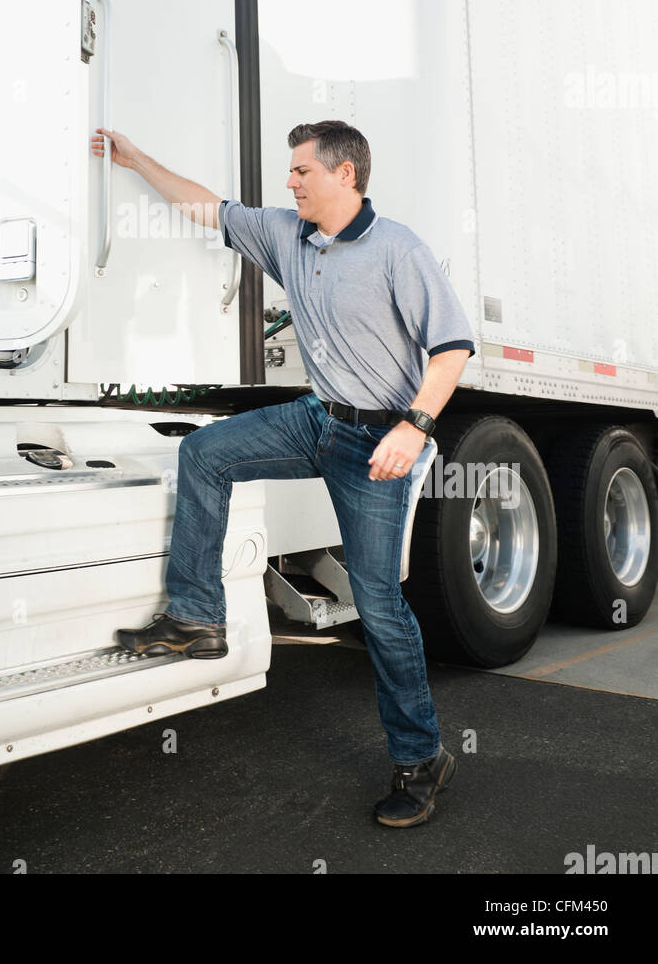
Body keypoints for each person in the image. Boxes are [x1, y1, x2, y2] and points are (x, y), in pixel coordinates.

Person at [90, 119, 475, 828]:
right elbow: (206, 206)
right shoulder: (286, 234)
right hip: (316, 419)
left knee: (380, 606)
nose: (290, 181)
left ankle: (422, 759)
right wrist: (137, 158)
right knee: (203, 452)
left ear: (344, 176)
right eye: (291, 171)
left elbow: (451, 349)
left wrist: (411, 427)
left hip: (377, 442)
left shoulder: (396, 249)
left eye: (302, 171)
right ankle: (195, 618)